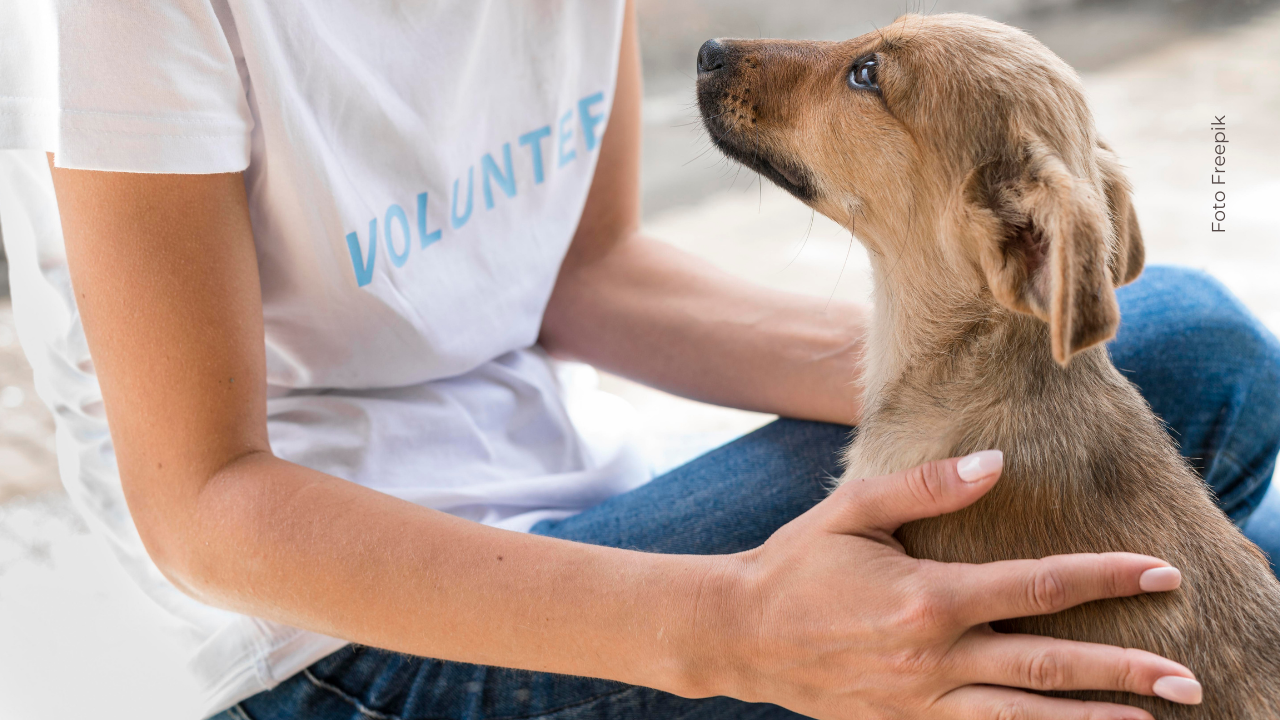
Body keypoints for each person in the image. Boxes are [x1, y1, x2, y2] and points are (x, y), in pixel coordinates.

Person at [1, 2, 1278, 719]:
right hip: (324, 641)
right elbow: (205, 506)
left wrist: (949, 355)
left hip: (587, 503)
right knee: (1193, 428)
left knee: (1196, 368)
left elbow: (584, 268)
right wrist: (740, 629)